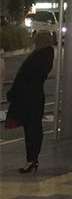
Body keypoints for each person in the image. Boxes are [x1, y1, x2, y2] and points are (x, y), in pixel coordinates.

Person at [6, 31, 54, 173]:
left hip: (28, 98)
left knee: (31, 129)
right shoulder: (46, 55)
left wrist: (13, 93)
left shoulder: (39, 56)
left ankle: (32, 159)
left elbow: (25, 78)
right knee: (33, 128)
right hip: (34, 97)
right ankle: (32, 159)